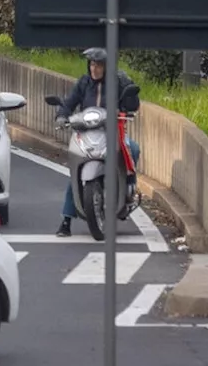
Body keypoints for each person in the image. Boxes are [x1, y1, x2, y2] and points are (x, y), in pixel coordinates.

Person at [53, 47, 142, 237]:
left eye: (99, 65)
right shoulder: (84, 83)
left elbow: (133, 104)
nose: (95, 69)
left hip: (112, 132)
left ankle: (128, 193)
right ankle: (66, 220)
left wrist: (129, 91)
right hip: (86, 133)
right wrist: (62, 115)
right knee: (76, 170)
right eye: (92, 64)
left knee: (133, 148)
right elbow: (69, 103)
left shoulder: (117, 81)